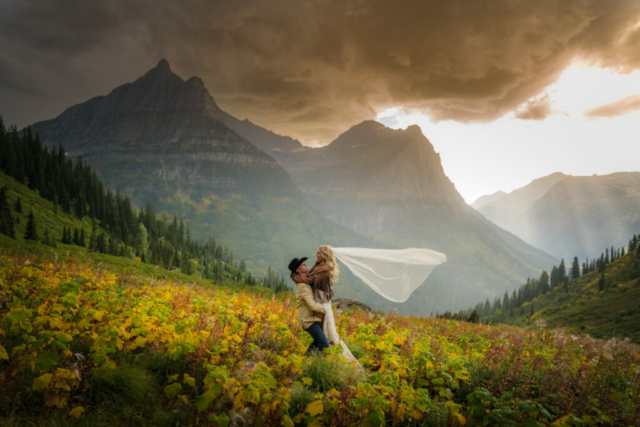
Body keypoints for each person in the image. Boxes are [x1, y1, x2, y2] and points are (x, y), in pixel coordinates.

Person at [296, 245, 363, 371]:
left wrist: (295, 276)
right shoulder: (318, 266)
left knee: (326, 337)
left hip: (321, 306)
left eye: (318, 253)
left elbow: (308, 280)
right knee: (323, 337)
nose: (316, 255)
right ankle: (311, 363)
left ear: (324, 255)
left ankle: (314, 363)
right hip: (320, 304)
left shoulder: (323, 269)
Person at [289, 256, 329, 356]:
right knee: (324, 344)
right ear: (298, 270)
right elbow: (312, 306)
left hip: (310, 319)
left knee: (317, 342)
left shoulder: (305, 281)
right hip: (308, 321)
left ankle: (304, 362)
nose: (306, 264)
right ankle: (313, 364)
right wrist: (327, 310)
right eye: (303, 264)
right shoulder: (303, 286)